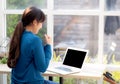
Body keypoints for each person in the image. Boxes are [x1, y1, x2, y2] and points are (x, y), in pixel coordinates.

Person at [7, 6, 58, 84]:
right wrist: (48, 46)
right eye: (41, 23)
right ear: (34, 22)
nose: (41, 26)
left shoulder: (18, 36)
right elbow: (42, 68)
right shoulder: (35, 40)